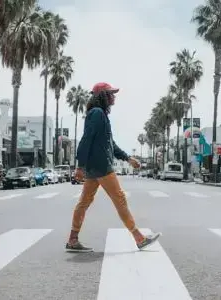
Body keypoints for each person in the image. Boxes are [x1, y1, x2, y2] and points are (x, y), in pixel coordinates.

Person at [66, 82, 162, 252]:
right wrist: (79, 166)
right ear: (103, 96)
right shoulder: (97, 113)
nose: (114, 96)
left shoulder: (101, 114)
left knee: (84, 202)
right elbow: (86, 139)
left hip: (95, 166)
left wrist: (128, 158)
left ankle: (73, 239)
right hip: (101, 166)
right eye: (111, 93)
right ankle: (138, 238)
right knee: (119, 198)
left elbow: (110, 144)